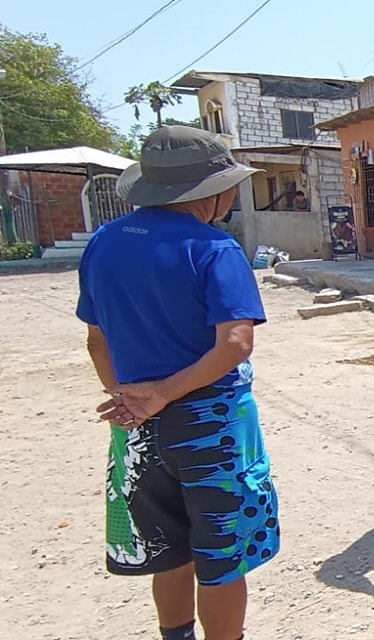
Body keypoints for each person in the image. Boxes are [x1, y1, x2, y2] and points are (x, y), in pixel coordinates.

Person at [80, 125, 279, 640]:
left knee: (167, 550)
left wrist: (131, 401)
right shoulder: (214, 247)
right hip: (211, 424)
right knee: (220, 558)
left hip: (136, 424)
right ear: (209, 193)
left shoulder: (103, 242)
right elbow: (234, 344)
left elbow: (97, 341)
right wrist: (165, 394)